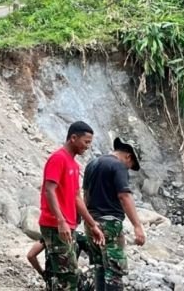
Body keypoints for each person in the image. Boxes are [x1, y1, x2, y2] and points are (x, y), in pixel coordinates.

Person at [39, 121, 106, 291]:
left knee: (69, 274)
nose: (88, 146)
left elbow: (77, 198)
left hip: (68, 225)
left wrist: (93, 225)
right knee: (66, 277)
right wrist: (60, 221)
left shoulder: (74, 165)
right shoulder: (58, 158)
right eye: (86, 142)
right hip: (55, 225)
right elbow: (49, 190)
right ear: (73, 138)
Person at [83, 137, 146, 291]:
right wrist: (138, 226)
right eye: (131, 165)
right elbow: (124, 196)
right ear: (129, 157)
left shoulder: (92, 163)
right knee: (115, 271)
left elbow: (85, 194)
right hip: (109, 224)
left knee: (100, 266)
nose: (128, 168)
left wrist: (87, 220)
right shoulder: (118, 166)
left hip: (91, 223)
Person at [28, 234, 95, 291]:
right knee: (94, 274)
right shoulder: (78, 236)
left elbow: (30, 256)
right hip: (71, 283)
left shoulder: (48, 235)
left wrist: (43, 273)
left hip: (52, 283)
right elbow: (95, 254)